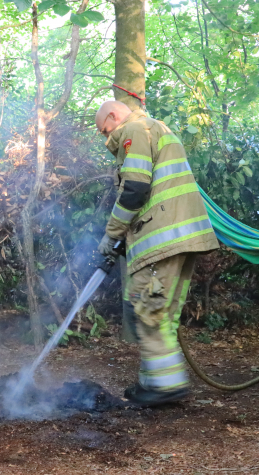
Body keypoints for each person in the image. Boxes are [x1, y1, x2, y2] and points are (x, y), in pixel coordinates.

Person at [95, 100, 219, 406]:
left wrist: (112, 233)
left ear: (113, 115)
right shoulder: (157, 129)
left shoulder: (135, 130)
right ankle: (153, 382)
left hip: (161, 240)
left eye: (105, 130)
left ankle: (166, 387)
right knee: (162, 314)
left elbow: (135, 188)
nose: (106, 138)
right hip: (181, 236)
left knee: (146, 308)